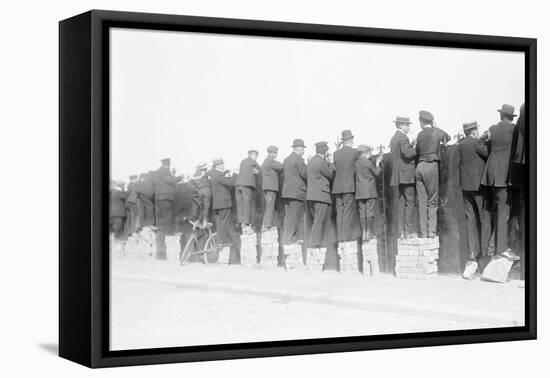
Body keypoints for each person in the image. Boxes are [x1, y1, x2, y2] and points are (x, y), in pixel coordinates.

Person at [481, 104, 520, 261]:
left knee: (494, 210)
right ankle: (501, 249)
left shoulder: (492, 128)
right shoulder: (514, 129)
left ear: (501, 115)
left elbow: (484, 143)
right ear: (511, 117)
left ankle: (491, 247)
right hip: (503, 176)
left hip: (490, 175)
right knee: (504, 212)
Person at [458, 121, 491, 279]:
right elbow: (487, 152)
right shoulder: (477, 142)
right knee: (484, 219)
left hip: (465, 187)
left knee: (470, 221)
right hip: (478, 187)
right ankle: (483, 257)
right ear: (473, 132)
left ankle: (471, 256)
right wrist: (487, 140)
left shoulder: (462, 144)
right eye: (477, 130)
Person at [415, 110, 450, 238]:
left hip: (419, 166)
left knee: (422, 202)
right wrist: (437, 127)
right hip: (431, 166)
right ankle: (431, 232)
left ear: (422, 122)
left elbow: (417, 150)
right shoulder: (436, 132)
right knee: (432, 201)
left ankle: (423, 232)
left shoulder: (419, 135)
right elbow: (448, 137)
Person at [389, 116, 417, 239]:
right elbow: (407, 153)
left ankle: (401, 231)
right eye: (407, 125)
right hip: (407, 175)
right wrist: (415, 147)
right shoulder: (403, 137)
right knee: (410, 202)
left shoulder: (393, 138)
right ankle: (408, 231)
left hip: (397, 175)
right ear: (401, 125)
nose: (408, 127)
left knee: (401, 203)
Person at [332, 129, 362, 242]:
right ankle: (347, 236)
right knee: (348, 212)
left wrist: (338, 148)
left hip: (337, 187)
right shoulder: (355, 152)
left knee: (340, 212)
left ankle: (340, 236)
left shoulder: (336, 153)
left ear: (342, 141)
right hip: (348, 187)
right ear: (351, 140)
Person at [306, 142, 336, 248]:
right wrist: (331, 162)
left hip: (311, 196)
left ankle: (315, 242)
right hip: (321, 196)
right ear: (325, 151)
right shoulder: (321, 162)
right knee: (319, 220)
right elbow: (331, 174)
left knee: (316, 220)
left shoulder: (311, 162)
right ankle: (315, 243)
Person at [154, 158, 183, 260]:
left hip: (160, 198)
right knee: (168, 215)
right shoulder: (164, 171)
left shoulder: (158, 172)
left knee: (162, 217)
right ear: (168, 164)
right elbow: (170, 180)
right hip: (166, 198)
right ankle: (169, 231)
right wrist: (180, 177)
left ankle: (163, 231)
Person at [210, 158, 241, 251]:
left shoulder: (213, 173)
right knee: (225, 222)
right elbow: (230, 183)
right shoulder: (219, 175)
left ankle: (220, 241)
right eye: (222, 164)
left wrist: (225, 172)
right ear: (218, 165)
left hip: (218, 203)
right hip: (224, 203)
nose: (223, 165)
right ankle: (223, 241)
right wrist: (235, 173)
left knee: (220, 222)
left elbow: (221, 180)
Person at [282, 139, 308, 244]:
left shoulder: (286, 159)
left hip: (287, 192)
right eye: (303, 148)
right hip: (297, 193)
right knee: (298, 216)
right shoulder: (299, 160)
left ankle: (289, 237)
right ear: (298, 148)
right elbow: (305, 174)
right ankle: (295, 238)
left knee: (289, 216)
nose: (303, 150)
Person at [355, 145, 382, 242]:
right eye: (369, 153)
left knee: (362, 212)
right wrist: (378, 164)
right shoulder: (368, 162)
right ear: (365, 153)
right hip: (369, 191)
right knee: (370, 211)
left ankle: (364, 232)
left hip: (359, 192)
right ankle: (369, 232)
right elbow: (377, 173)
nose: (370, 154)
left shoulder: (356, 163)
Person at [235, 150, 260, 234]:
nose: (256, 158)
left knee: (240, 206)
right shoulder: (253, 162)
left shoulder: (243, 161)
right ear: (253, 155)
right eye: (256, 156)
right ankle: (246, 226)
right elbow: (260, 171)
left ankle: (240, 223)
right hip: (246, 186)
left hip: (238, 185)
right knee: (247, 206)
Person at [261, 145, 284, 230]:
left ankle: (269, 222)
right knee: (270, 205)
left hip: (269, 187)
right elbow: (280, 166)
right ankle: (267, 223)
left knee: (270, 205)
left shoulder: (267, 161)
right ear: (271, 153)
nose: (276, 154)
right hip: (270, 187)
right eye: (275, 153)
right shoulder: (270, 161)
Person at [189, 162, 212, 227]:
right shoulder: (205, 173)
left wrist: (197, 189)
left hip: (200, 191)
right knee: (207, 207)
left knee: (203, 208)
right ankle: (205, 222)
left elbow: (190, 183)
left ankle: (198, 221)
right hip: (207, 190)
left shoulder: (194, 175)